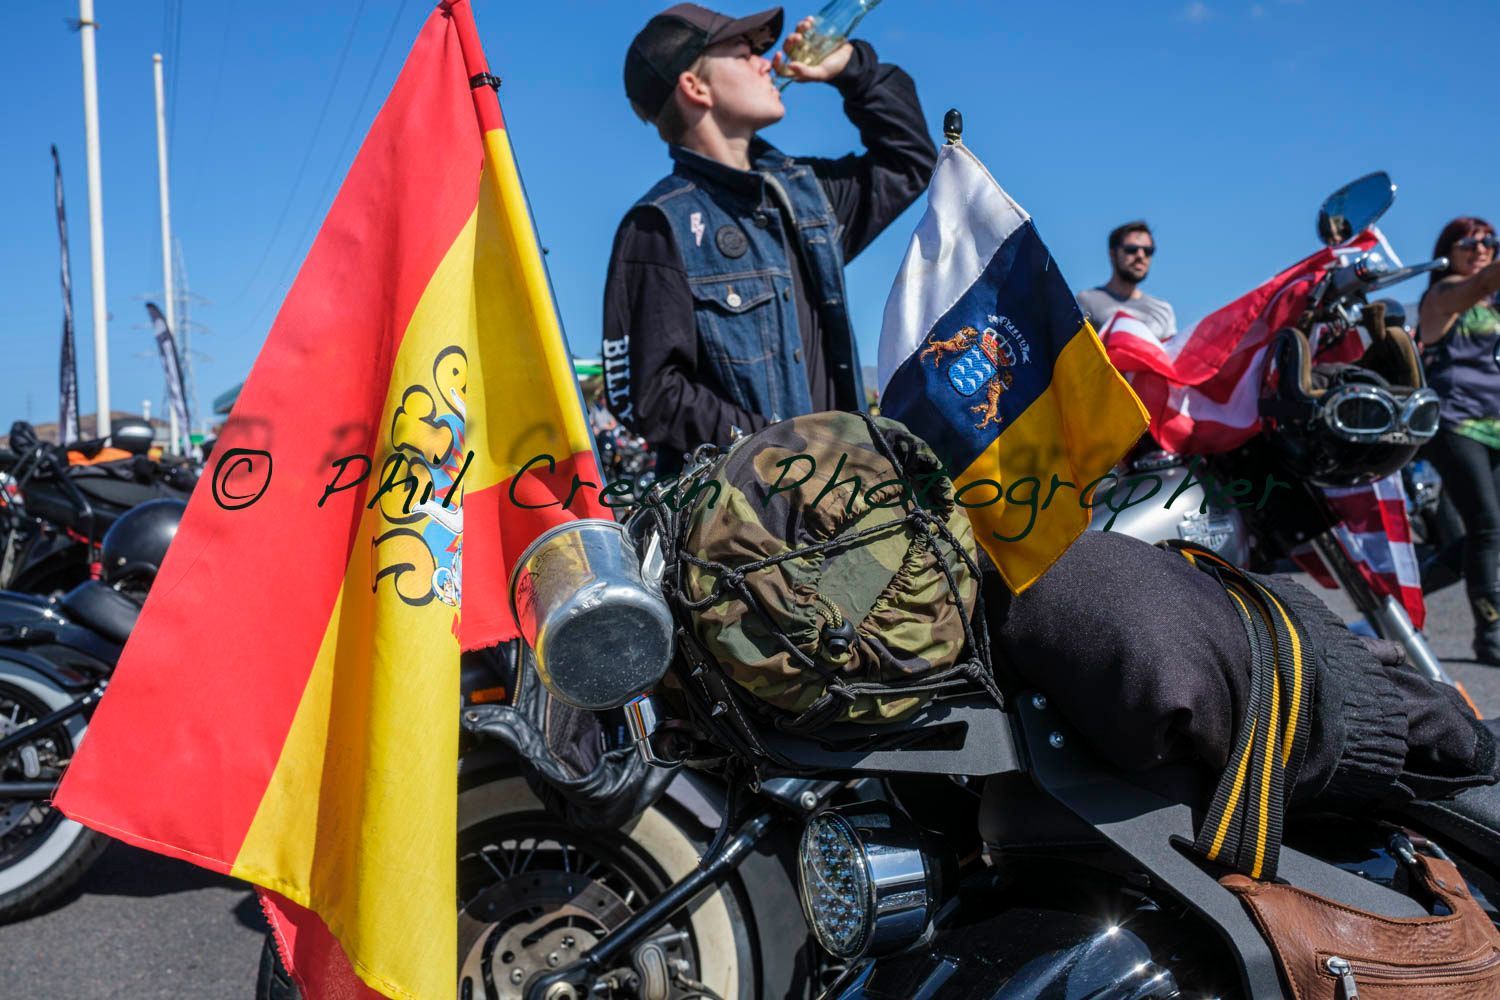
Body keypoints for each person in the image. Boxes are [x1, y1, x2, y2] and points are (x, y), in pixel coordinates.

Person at [601, 3, 936, 475]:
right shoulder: (659, 226)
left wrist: (851, 68)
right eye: (743, 53)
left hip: (843, 515)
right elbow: (653, 397)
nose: (766, 61)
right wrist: (787, 446)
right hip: (745, 533)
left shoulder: (807, 198)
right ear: (695, 87)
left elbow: (909, 161)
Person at [1417, 216, 1500, 663]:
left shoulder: (1493, 302)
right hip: (1455, 424)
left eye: (1490, 241)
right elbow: (1481, 280)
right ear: (1450, 249)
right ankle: (1491, 633)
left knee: (1489, 533)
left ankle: (1401, 596)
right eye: (1470, 242)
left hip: (1495, 428)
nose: (1482, 248)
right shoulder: (1444, 294)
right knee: (1486, 525)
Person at [1076, 221, 1177, 342]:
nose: (1140, 255)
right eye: (1132, 249)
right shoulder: (1087, 301)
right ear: (1113, 254)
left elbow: (1170, 356)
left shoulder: (1163, 310)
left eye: (1148, 250)